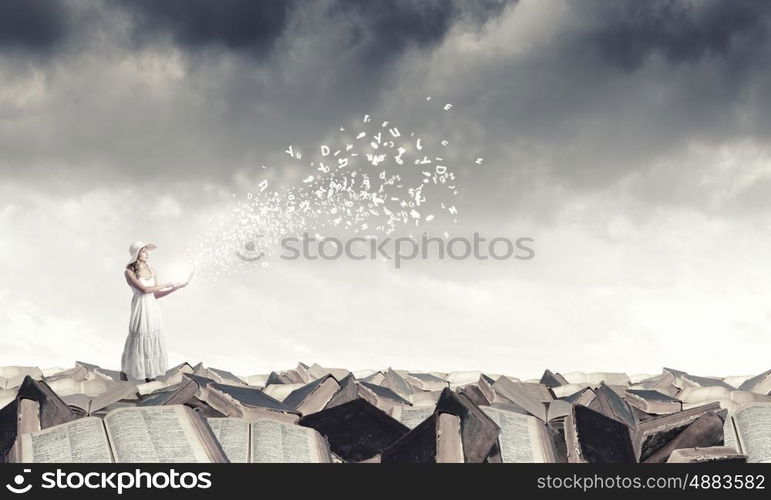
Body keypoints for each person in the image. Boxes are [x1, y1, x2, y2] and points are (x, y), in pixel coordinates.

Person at [121, 241, 188, 382]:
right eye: (144, 251)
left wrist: (175, 288)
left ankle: (149, 375)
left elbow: (156, 294)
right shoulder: (129, 272)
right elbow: (144, 290)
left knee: (151, 338)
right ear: (137, 253)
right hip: (141, 308)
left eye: (147, 251)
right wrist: (166, 284)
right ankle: (126, 370)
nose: (148, 254)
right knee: (138, 337)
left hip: (152, 309)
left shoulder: (152, 270)